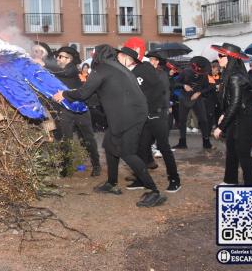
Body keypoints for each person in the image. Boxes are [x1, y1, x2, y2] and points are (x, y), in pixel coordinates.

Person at [54, 44, 166, 207]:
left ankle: (154, 191)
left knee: (127, 153)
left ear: (98, 55)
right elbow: (99, 95)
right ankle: (111, 183)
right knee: (109, 145)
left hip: (128, 116)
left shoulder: (101, 70)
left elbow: (84, 93)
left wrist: (64, 94)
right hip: (131, 113)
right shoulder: (116, 68)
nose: (92, 58)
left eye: (93, 55)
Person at [120, 40, 180, 193]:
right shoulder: (129, 71)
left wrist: (153, 108)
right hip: (143, 118)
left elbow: (159, 89)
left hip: (156, 114)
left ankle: (174, 179)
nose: (120, 57)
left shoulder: (145, 68)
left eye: (123, 54)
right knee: (141, 147)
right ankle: (141, 179)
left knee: (163, 147)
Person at [212, 43, 252, 186]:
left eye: (221, 55)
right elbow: (231, 101)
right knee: (231, 149)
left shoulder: (235, 77)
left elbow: (236, 104)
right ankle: (230, 181)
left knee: (243, 153)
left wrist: (221, 126)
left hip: (246, 117)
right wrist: (224, 114)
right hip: (238, 115)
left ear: (230, 58)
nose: (218, 58)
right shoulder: (229, 74)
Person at [51, 46, 100, 177]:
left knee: (87, 138)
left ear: (70, 59)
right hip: (65, 111)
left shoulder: (71, 69)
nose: (58, 59)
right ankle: (66, 167)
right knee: (65, 140)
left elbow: (66, 73)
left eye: (61, 57)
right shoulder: (59, 72)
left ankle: (96, 165)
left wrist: (45, 67)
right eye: (58, 56)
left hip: (81, 110)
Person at [172, 56, 213, 149]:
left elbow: (209, 87)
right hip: (184, 98)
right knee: (182, 121)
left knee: (203, 120)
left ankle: (206, 142)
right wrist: (184, 85)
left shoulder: (204, 74)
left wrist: (199, 93)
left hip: (197, 99)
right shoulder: (185, 71)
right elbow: (175, 83)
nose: (197, 73)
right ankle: (182, 143)